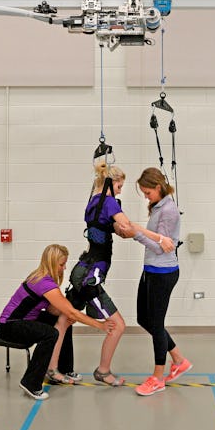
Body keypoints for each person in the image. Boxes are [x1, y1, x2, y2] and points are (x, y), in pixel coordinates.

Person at [63, 162, 170, 386]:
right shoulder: (109, 202)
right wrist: (159, 238)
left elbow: (120, 231)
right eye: (120, 185)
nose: (121, 190)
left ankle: (53, 368)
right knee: (117, 325)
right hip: (90, 276)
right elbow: (129, 225)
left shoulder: (94, 201)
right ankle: (102, 371)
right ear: (110, 183)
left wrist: (124, 231)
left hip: (83, 269)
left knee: (64, 320)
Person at [0, 244, 115, 400]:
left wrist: (68, 311)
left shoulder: (44, 278)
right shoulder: (43, 282)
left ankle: (64, 369)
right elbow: (70, 311)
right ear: (51, 263)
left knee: (63, 321)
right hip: (9, 325)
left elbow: (53, 310)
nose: (64, 268)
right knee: (50, 334)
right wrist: (100, 325)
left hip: (25, 319)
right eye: (61, 264)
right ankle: (31, 383)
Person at [130, 167, 191, 396]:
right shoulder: (158, 207)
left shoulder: (169, 211)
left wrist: (135, 233)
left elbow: (161, 246)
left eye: (147, 192)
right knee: (143, 318)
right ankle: (179, 360)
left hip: (163, 273)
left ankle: (158, 377)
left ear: (158, 187)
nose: (146, 196)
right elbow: (156, 241)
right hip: (151, 270)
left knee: (155, 323)